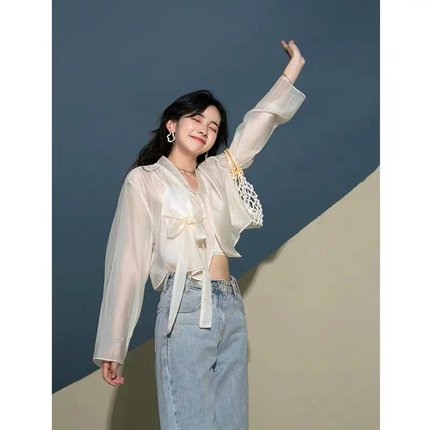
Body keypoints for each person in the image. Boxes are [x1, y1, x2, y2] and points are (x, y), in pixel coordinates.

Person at [93, 39, 306, 429]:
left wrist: (292, 69)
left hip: (231, 308)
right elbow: (129, 262)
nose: (205, 130)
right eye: (196, 119)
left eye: (213, 127)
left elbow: (259, 123)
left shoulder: (216, 174)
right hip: (186, 309)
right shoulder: (145, 180)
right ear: (172, 125)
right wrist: (114, 343)